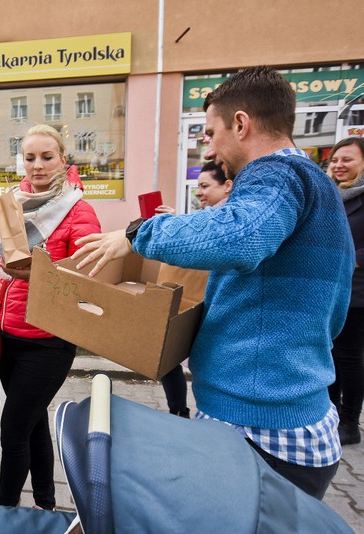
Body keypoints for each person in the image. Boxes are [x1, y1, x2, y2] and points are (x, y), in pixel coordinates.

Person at [71, 66, 353, 500]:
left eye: (210, 131)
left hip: (257, 426)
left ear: (241, 124)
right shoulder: (318, 186)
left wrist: (137, 235)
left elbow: (240, 237)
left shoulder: (276, 175)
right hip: (291, 412)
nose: (209, 146)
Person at [0, 124, 101, 510]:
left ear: (63, 159)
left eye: (47, 157)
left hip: (49, 343)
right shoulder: (12, 204)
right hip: (9, 336)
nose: (37, 166)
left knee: (13, 430)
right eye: (30, 157)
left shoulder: (77, 210)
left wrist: (40, 271)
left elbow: (87, 278)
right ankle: (46, 504)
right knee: (33, 425)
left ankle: (5, 511)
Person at [154, 161, 233, 418]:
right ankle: (180, 410)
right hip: (194, 302)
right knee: (170, 357)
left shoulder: (228, 219)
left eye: (205, 186)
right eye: (198, 185)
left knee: (181, 359)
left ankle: (186, 411)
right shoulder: (208, 216)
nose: (199, 191)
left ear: (227, 187)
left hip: (210, 307)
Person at [327, 137, 364, 445]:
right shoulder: (332, 195)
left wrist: (348, 258)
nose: (339, 165)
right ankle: (332, 414)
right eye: (335, 159)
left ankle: (350, 423)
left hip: (357, 292)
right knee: (329, 353)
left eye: (347, 160)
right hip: (329, 290)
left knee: (349, 358)